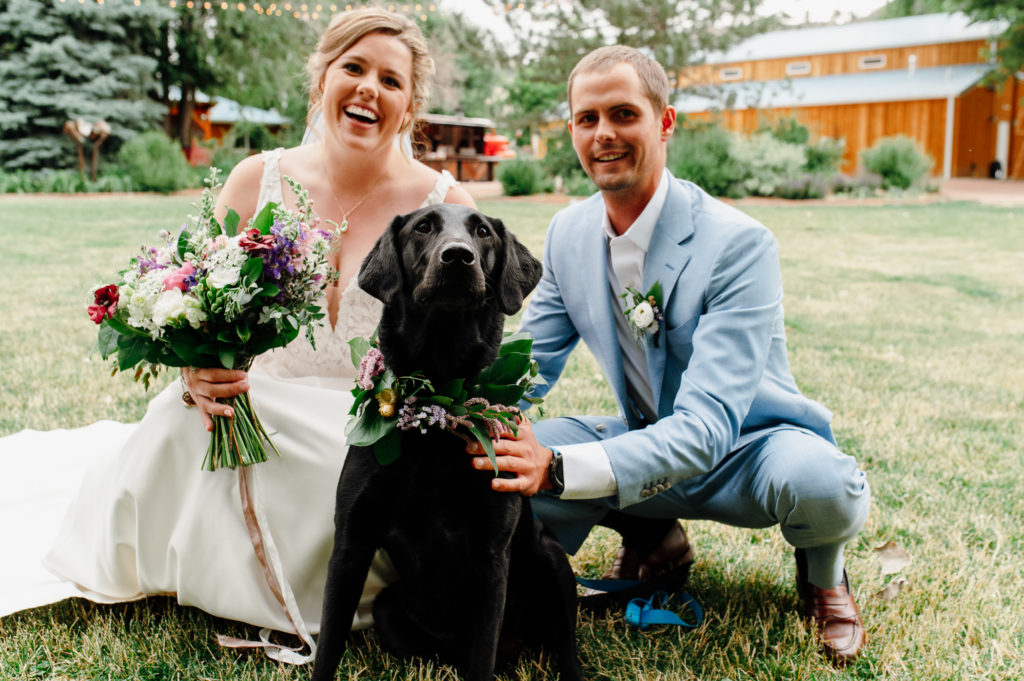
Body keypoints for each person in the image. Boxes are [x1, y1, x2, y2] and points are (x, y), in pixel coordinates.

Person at [0, 7, 474, 663]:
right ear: (322, 77)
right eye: (354, 68)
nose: (369, 88)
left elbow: (469, 349)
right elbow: (187, 291)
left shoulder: (447, 207)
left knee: (368, 472)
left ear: (409, 104)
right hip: (255, 402)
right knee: (178, 412)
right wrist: (196, 367)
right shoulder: (260, 179)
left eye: (391, 81)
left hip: (376, 424)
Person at [467, 45, 870, 664]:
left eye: (624, 114)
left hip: (748, 452)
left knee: (824, 485)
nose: (604, 134)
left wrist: (560, 469)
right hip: (643, 440)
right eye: (587, 118)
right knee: (502, 462)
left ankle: (823, 577)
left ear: (665, 121)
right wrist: (463, 413)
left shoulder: (739, 244)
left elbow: (708, 429)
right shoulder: (568, 233)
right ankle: (652, 537)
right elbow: (528, 365)